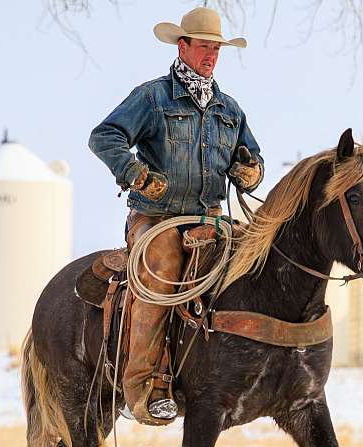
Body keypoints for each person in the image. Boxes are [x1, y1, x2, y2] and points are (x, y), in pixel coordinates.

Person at [88, 7, 264, 425]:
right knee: (163, 271)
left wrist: (250, 171)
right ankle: (145, 387)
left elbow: (252, 157)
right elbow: (104, 136)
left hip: (211, 218)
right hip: (157, 219)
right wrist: (135, 174)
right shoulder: (152, 97)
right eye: (203, 46)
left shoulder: (230, 109)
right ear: (182, 46)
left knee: (252, 265)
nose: (211, 55)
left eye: (216, 48)